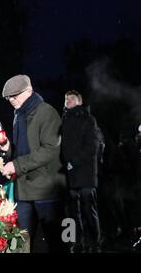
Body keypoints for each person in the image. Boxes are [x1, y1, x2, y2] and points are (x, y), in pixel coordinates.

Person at [0, 74, 67, 253]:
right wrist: (7, 148)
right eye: (8, 98)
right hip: (24, 192)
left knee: (55, 243)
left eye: (15, 96)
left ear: (29, 91)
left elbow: (51, 150)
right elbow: (22, 151)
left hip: (46, 191)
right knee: (22, 244)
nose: (11, 100)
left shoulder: (47, 112)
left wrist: (16, 165)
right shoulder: (18, 114)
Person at [61, 90, 101, 253]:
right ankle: (75, 242)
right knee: (72, 212)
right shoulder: (63, 120)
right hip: (69, 174)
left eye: (71, 99)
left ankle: (96, 242)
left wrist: (73, 162)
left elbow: (92, 147)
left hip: (85, 173)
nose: (67, 101)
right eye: (66, 99)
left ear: (79, 101)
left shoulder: (88, 119)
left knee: (88, 209)